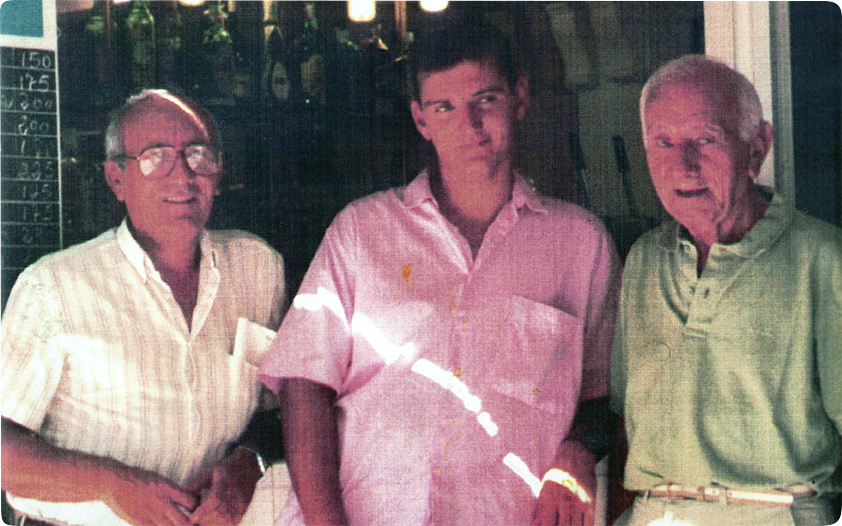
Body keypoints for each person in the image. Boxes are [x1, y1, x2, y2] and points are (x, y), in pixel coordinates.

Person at [259, 20, 621, 526]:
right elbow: (304, 385)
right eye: (443, 107)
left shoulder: (582, 245)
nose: (469, 125)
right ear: (420, 119)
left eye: (485, 99)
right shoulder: (361, 231)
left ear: (520, 98)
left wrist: (580, 450)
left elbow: (606, 401)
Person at [0, 89, 287, 526]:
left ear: (218, 172)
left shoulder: (258, 269)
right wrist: (110, 484)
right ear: (116, 178)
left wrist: (252, 459)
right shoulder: (52, 287)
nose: (183, 176)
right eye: (156, 157)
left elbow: (283, 411)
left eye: (198, 155)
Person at [610, 55, 842, 526]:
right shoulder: (643, 260)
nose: (683, 166)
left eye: (705, 140)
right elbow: (622, 425)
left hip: (775, 513)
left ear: (756, 150)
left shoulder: (821, 258)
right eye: (664, 143)